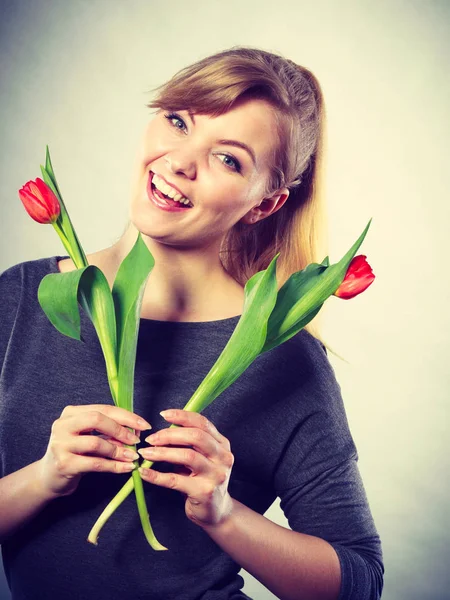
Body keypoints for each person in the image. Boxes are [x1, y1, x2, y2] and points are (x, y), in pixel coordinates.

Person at [0, 46, 384, 600]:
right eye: (178, 121)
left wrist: (224, 514)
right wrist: (43, 477)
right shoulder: (20, 298)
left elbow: (361, 584)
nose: (181, 161)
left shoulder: (282, 358)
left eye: (228, 159)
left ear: (265, 205)